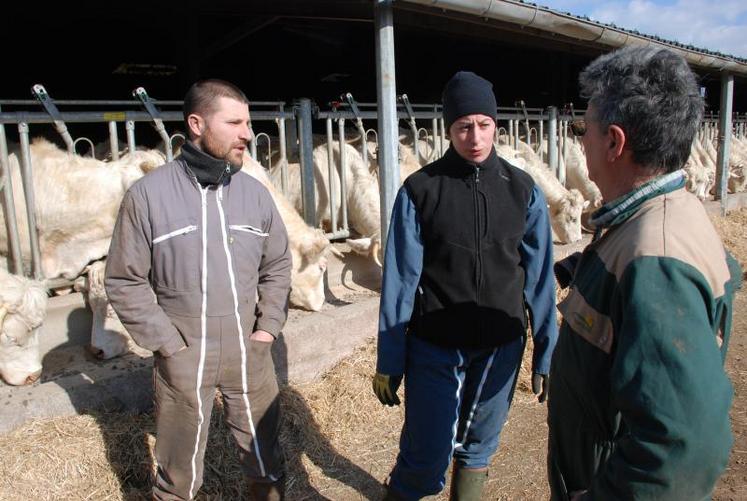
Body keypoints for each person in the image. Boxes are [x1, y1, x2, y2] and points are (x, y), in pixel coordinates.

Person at [547, 46, 743, 501]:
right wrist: (575, 271)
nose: (582, 143)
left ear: (614, 142)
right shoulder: (657, 217)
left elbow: (682, 449)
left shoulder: (656, 259)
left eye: (585, 130)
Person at [373, 71, 558, 500]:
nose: (475, 136)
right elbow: (401, 281)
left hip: (502, 345)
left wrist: (547, 349)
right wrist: (391, 357)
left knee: (478, 449)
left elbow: (540, 276)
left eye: (484, 124)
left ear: (496, 124)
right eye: (463, 126)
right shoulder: (420, 191)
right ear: (448, 128)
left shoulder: (522, 190)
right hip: (436, 345)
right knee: (427, 454)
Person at [105, 79, 292, 500]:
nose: (247, 133)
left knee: (266, 462)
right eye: (235, 122)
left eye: (249, 122)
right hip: (185, 353)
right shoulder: (148, 197)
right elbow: (123, 279)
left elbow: (278, 264)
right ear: (196, 123)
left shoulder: (254, 194)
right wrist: (167, 343)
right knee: (178, 474)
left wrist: (267, 328)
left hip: (249, 349)